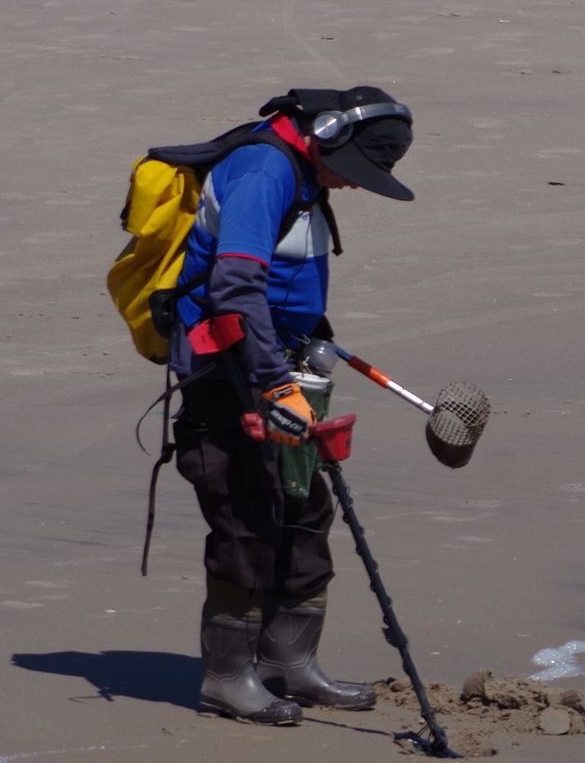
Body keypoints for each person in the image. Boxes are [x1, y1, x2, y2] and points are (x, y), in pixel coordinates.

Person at [166, 86, 415, 725]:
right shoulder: (263, 171)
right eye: (353, 169)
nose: (354, 186)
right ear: (326, 132)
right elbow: (234, 284)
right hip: (230, 374)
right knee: (246, 516)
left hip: (283, 362)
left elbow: (285, 275)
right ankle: (227, 678)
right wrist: (274, 386)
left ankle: (288, 666)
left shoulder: (303, 170)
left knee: (305, 507)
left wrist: (311, 342)